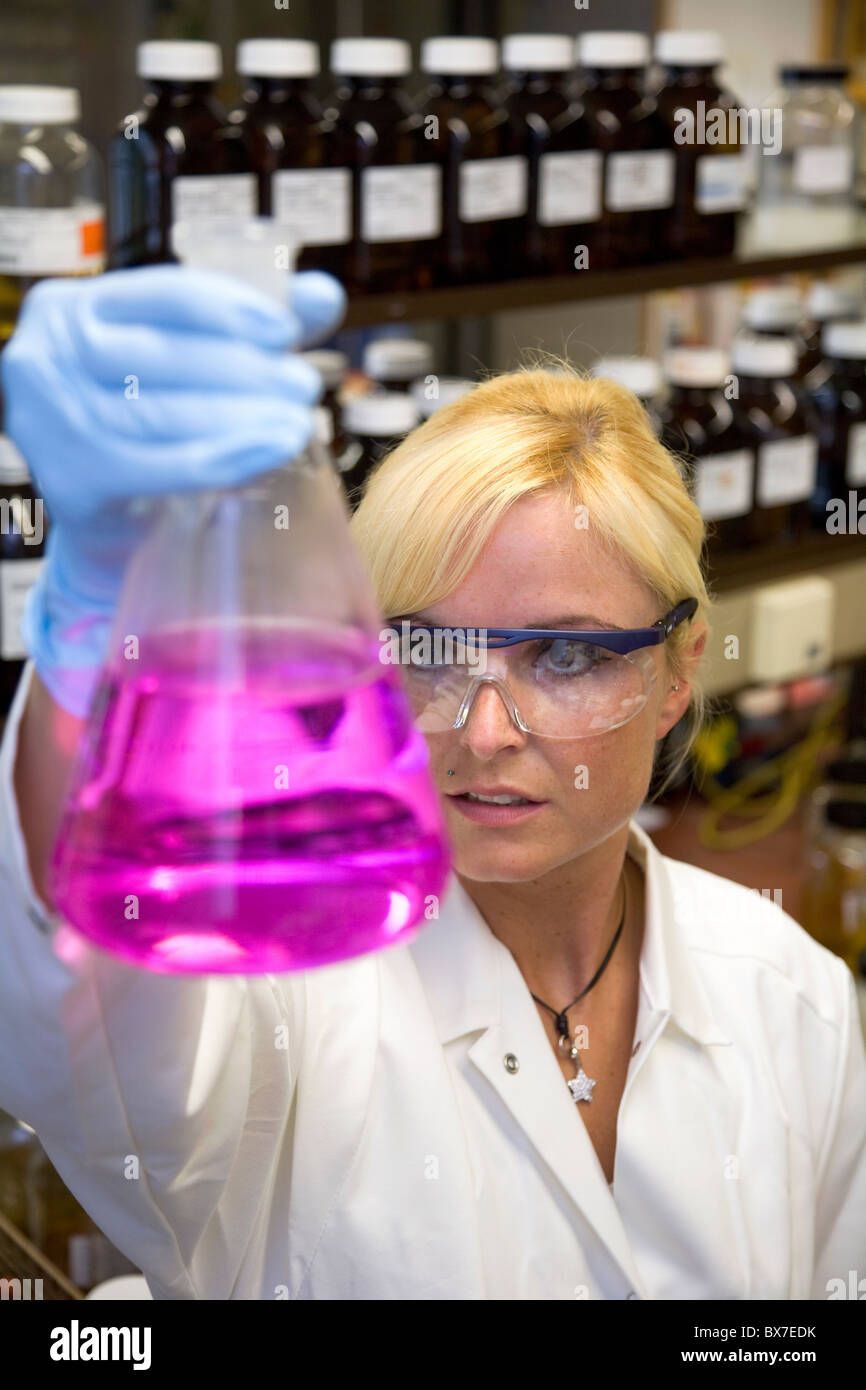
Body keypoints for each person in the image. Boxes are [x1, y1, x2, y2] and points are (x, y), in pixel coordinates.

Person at [0, 265, 863, 1301]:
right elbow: (84, 1031)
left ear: (678, 670)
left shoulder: (786, 992)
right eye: (427, 649)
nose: (483, 731)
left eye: (565, 656)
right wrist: (94, 628)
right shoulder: (282, 978)